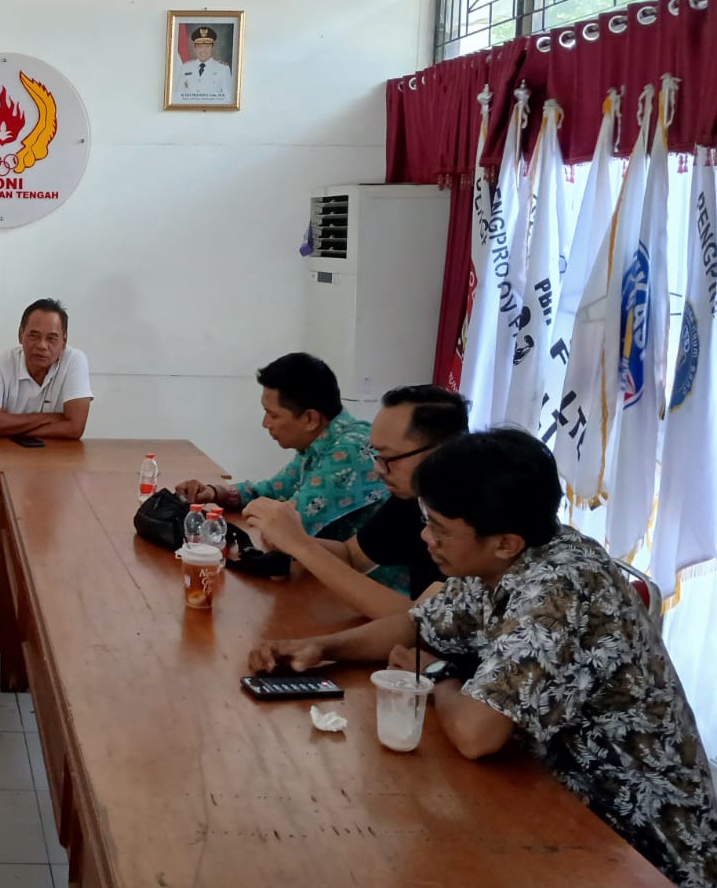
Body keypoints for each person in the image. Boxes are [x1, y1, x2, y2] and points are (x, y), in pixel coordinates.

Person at [249, 430, 717, 886]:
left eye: (439, 528)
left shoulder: (560, 590)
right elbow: (419, 622)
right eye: (427, 519)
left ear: (505, 541)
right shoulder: (506, 555)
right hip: (550, 798)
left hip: (636, 846)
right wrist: (322, 648)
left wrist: (436, 674)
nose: (426, 538)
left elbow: (477, 735)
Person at [243, 384, 466, 619]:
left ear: (440, 452)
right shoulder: (413, 498)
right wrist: (292, 540)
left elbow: (417, 622)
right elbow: (352, 556)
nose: (378, 470)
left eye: (388, 458)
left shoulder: (475, 516)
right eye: (375, 455)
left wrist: (301, 545)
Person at [177, 352, 385, 540]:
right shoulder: (320, 442)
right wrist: (214, 493)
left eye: (273, 415)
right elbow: (273, 490)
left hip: (363, 580)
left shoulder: (352, 450)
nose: (265, 423)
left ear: (310, 418)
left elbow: (290, 526)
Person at [0, 298, 93, 440]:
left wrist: (6, 426)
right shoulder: (1, 362)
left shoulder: (74, 360)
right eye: (34, 335)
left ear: (64, 341)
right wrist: (55, 418)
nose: (42, 345)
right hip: (8, 456)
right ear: (20, 335)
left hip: (58, 457)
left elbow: (75, 428)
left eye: (51, 338)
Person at [172, 25, 233, 105]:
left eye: (207, 46)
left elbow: (228, 99)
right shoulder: (185, 68)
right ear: (194, 48)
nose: (203, 50)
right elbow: (178, 96)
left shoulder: (223, 69)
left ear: (213, 47)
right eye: (199, 46)